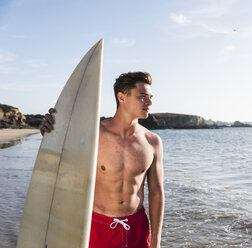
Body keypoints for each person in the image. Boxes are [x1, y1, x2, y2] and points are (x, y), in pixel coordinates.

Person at [40, 72, 164, 248]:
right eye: (143, 97)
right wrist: (48, 131)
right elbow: (58, 153)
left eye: (150, 97)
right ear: (121, 97)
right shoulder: (92, 134)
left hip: (137, 227)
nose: (149, 102)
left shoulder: (153, 142)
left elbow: (156, 194)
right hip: (98, 227)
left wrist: (156, 241)